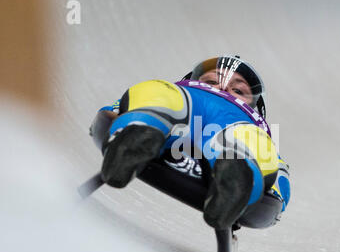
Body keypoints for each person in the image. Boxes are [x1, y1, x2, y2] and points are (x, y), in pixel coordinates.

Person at [90, 55, 290, 230]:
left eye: (238, 90)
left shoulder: (253, 125)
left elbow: (279, 175)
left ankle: (235, 176)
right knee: (160, 92)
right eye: (212, 80)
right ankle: (139, 133)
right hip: (188, 98)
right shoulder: (180, 91)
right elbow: (116, 108)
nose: (222, 87)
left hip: (237, 119)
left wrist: (274, 195)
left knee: (250, 138)